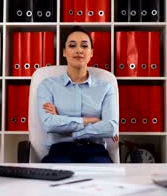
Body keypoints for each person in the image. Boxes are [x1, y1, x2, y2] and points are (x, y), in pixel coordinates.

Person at [37, 26, 119, 163]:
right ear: (64, 52)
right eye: (72, 45)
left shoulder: (106, 88)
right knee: (54, 179)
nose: (79, 50)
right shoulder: (48, 85)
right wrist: (90, 121)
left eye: (84, 46)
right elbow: (49, 124)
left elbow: (111, 127)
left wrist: (65, 124)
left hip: (95, 151)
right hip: (59, 151)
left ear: (91, 52)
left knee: (104, 180)